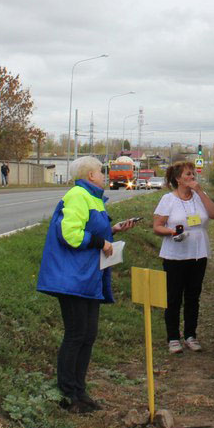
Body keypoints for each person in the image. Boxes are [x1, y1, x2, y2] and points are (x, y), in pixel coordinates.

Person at [36, 155, 137, 413]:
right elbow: (70, 234)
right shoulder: (77, 196)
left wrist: (112, 231)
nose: (104, 175)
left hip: (88, 277)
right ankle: (68, 393)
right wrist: (101, 243)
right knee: (77, 334)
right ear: (90, 175)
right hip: (71, 278)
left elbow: (89, 229)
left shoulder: (93, 198)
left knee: (88, 335)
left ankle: (80, 391)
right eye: (101, 172)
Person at [152, 160, 214, 354]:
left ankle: (191, 335)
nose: (192, 178)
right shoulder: (168, 199)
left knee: (193, 296)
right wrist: (172, 232)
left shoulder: (199, 196)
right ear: (178, 179)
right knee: (174, 297)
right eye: (187, 175)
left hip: (198, 253)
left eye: (193, 174)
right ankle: (173, 337)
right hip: (175, 255)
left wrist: (200, 191)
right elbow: (157, 226)